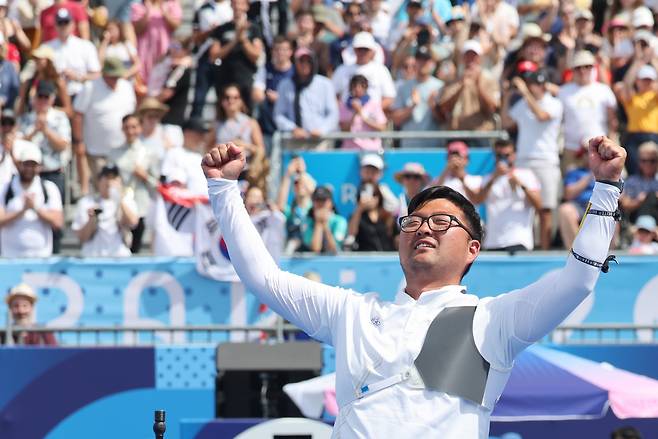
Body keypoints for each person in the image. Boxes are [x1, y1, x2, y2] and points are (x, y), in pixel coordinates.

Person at [202, 135, 625, 437]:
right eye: (414, 222)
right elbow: (263, 277)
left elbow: (578, 279)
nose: (424, 229)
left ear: (473, 248)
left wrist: (606, 189)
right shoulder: (352, 312)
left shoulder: (494, 320)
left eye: (442, 222)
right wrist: (223, 189)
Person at [502, 70, 563, 250]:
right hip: (523, 161)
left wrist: (525, 93)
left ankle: (544, 251)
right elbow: (506, 122)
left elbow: (541, 116)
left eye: (534, 84)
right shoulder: (522, 104)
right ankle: (526, 247)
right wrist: (506, 96)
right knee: (523, 208)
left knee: (545, 209)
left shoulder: (554, 104)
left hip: (546, 161)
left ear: (544, 86)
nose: (530, 87)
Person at [72, 57, 136, 195]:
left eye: (117, 76)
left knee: (124, 191)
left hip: (123, 151)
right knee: (102, 192)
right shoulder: (90, 87)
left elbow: (132, 116)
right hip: (97, 152)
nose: (114, 80)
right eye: (111, 76)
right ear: (104, 74)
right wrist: (79, 141)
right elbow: (77, 115)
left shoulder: (127, 87)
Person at [473, 140, 542, 252]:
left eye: (507, 155)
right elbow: (477, 200)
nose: (503, 158)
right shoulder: (487, 179)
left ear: (514, 155)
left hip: (519, 241)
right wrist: (494, 178)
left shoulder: (526, 175)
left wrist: (520, 184)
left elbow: (539, 204)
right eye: (499, 155)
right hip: (493, 243)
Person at [0, 140, 63, 257]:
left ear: (39, 167)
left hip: (41, 257)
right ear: (19, 165)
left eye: (33, 165)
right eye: (26, 164)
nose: (29, 169)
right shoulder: (5, 188)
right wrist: (22, 211)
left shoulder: (49, 188)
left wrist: (35, 209)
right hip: (9, 257)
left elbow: (57, 223)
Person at [108, 114, 159, 253]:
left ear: (140, 128)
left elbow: (158, 185)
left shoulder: (148, 153)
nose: (130, 131)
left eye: (134, 127)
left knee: (135, 247)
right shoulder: (114, 153)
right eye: (126, 127)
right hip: (120, 205)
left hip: (140, 205)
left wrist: (145, 176)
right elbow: (108, 179)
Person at [274, 47, 338, 149]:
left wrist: (322, 130)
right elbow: (279, 115)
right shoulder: (285, 85)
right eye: (301, 61)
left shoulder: (325, 84)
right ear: (295, 63)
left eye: (308, 61)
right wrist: (293, 129)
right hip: (294, 141)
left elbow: (333, 114)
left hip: (319, 141)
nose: (305, 64)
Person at [72, 165, 139, 257]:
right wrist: (92, 219)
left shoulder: (127, 200)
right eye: (107, 177)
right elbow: (82, 238)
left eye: (114, 178)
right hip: (93, 258)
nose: (110, 182)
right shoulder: (86, 202)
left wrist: (119, 200)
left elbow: (133, 222)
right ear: (99, 181)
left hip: (119, 258)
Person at [391, 46, 444, 148]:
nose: (423, 63)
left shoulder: (440, 86)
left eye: (426, 60)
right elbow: (396, 120)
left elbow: (444, 120)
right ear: (415, 61)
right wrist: (412, 107)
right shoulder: (404, 87)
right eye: (420, 59)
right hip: (409, 147)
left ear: (432, 63)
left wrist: (433, 107)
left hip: (433, 147)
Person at [130, 0, 182, 84]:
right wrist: (148, 12)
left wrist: (165, 13)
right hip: (144, 53)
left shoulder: (171, 4)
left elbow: (176, 25)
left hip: (163, 53)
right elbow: (137, 29)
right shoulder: (139, 6)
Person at [338, 74, 387, 152]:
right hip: (349, 148)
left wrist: (362, 115)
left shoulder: (374, 105)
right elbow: (343, 129)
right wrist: (355, 114)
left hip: (371, 148)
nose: (357, 89)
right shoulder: (344, 106)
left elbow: (382, 127)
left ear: (366, 88)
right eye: (354, 86)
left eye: (361, 86)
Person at [345, 182, 397, 251]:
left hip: (387, 257)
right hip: (366, 258)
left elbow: (394, 235)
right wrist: (359, 209)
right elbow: (351, 234)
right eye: (365, 195)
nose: (369, 199)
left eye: (373, 195)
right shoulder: (356, 216)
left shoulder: (386, 215)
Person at [558, 158, 596, 249]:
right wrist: (590, 175)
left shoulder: (608, 170)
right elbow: (568, 194)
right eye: (586, 152)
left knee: (612, 211)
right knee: (565, 210)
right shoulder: (574, 172)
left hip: (599, 205)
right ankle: (576, 253)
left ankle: (607, 257)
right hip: (578, 206)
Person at [432, 140, 482, 204]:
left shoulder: (476, 179)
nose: (455, 160)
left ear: (467, 160)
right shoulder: (440, 180)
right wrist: (447, 169)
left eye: (459, 157)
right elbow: (432, 196)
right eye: (451, 157)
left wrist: (461, 178)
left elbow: (476, 200)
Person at [301, 185, 347, 254]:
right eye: (317, 200)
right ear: (313, 203)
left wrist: (325, 224)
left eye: (323, 200)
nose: (320, 204)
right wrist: (318, 222)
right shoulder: (307, 221)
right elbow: (315, 249)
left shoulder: (340, 221)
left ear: (331, 202)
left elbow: (333, 249)